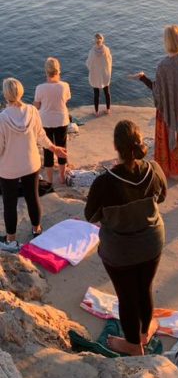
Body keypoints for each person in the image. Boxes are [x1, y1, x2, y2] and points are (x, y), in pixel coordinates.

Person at [85, 120, 167, 355]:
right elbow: (161, 198)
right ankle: (145, 330)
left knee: (126, 295)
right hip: (152, 242)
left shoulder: (104, 182)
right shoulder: (153, 169)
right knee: (144, 287)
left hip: (119, 250)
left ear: (115, 146)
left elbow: (91, 216)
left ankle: (133, 344)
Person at [0, 78, 67, 252]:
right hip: (31, 163)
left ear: (6, 95)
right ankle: (37, 230)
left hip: (9, 168)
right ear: (21, 92)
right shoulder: (32, 111)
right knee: (32, 197)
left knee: (9, 203)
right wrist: (54, 148)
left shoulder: (2, 118)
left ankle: (11, 240)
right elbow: (41, 136)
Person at [132, 25, 178, 181]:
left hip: (168, 112)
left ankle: (168, 170)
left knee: (169, 139)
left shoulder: (163, 65)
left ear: (167, 41)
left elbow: (158, 92)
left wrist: (143, 78)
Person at [34, 57, 71, 184]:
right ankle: (61, 177)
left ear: (46, 71)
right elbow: (65, 101)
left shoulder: (40, 88)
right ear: (58, 70)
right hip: (61, 120)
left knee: (48, 150)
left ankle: (49, 181)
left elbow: (37, 106)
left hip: (45, 122)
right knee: (62, 147)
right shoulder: (65, 86)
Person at [86, 33, 113, 117]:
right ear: (102, 40)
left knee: (96, 94)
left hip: (96, 74)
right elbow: (110, 61)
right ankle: (108, 109)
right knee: (107, 92)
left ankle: (96, 112)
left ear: (95, 41)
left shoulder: (92, 51)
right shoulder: (106, 50)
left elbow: (88, 63)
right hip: (104, 73)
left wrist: (93, 68)